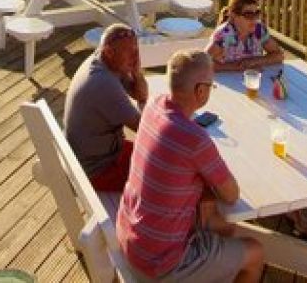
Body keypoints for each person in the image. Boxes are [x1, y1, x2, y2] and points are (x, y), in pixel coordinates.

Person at [117, 50, 264, 282]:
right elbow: (232, 195)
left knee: (219, 223)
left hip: (130, 234)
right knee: (255, 251)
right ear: (200, 91)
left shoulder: (154, 105)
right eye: (211, 86)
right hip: (161, 262)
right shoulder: (195, 139)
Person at [63, 24, 148, 192]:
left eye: (136, 50)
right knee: (170, 175)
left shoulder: (107, 62)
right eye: (130, 52)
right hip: (96, 170)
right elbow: (145, 129)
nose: (135, 56)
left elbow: (141, 95)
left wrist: (136, 71)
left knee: (165, 161)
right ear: (109, 52)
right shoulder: (102, 82)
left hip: (102, 154)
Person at [209, 0, 284, 72]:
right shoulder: (225, 34)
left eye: (257, 13)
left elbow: (279, 56)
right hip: (229, 80)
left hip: (254, 79)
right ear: (234, 15)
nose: (255, 19)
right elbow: (203, 64)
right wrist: (234, 67)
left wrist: (254, 61)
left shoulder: (258, 29)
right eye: (249, 15)